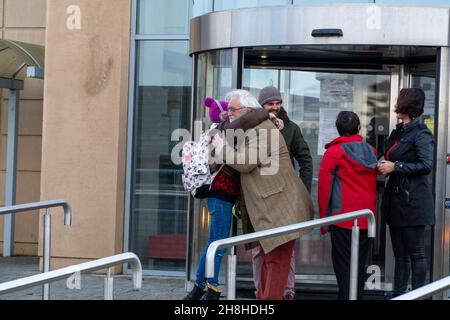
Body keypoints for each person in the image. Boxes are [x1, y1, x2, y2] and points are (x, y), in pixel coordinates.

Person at [212, 89, 314, 300]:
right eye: (228, 109)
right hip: (269, 209)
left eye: (233, 109)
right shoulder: (251, 126)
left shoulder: (263, 129)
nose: (228, 113)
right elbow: (221, 127)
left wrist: (221, 147)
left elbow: (245, 162)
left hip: (281, 208)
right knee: (268, 262)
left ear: (248, 111)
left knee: (276, 264)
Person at [250, 86, 313, 300]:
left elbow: (305, 160)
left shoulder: (291, 128)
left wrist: (301, 191)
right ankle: (261, 292)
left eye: (278, 103)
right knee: (259, 249)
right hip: (260, 198)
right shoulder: (253, 126)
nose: (275, 107)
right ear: (261, 106)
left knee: (286, 248)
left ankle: (286, 293)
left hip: (284, 198)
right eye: (270, 104)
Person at [378, 88, 435, 296]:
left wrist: (396, 167)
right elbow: (392, 155)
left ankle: (418, 295)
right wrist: (384, 164)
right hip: (397, 202)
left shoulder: (421, 133)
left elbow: (426, 164)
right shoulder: (400, 130)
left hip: (413, 203)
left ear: (407, 105)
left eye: (399, 100)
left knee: (416, 254)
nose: (395, 104)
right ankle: (399, 295)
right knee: (400, 255)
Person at [183, 99, 240, 301]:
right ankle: (212, 288)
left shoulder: (216, 131)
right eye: (230, 110)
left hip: (221, 194)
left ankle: (198, 287)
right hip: (221, 193)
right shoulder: (221, 132)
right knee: (219, 243)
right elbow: (220, 163)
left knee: (213, 242)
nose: (233, 113)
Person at [318, 111, 377, 300]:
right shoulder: (372, 151)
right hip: (367, 218)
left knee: (344, 266)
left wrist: (324, 221)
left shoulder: (334, 153)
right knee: (359, 266)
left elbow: (324, 190)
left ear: (338, 130)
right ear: (359, 128)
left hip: (342, 218)